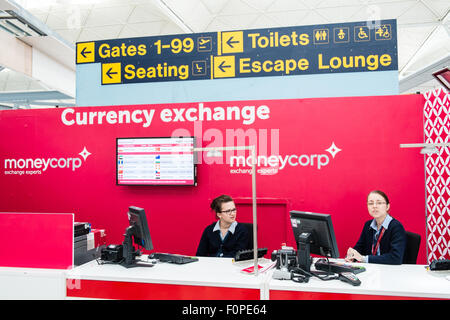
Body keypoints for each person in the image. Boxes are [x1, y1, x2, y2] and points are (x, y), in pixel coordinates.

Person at [345, 190, 406, 265]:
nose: (374, 206)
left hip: (390, 271)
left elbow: (395, 258)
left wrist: (364, 259)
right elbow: (359, 248)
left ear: (387, 206)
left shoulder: (396, 227)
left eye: (379, 203)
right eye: (370, 203)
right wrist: (352, 255)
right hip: (372, 270)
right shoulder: (368, 225)